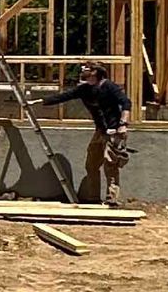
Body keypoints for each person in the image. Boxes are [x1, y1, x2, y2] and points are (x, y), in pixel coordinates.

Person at [48, 60, 133, 204]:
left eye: (89, 69)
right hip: (100, 131)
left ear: (97, 72)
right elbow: (64, 96)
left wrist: (123, 124)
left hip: (113, 132)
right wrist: (40, 101)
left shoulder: (109, 86)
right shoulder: (85, 89)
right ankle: (92, 198)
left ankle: (112, 199)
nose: (85, 72)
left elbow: (126, 103)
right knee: (91, 165)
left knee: (110, 165)